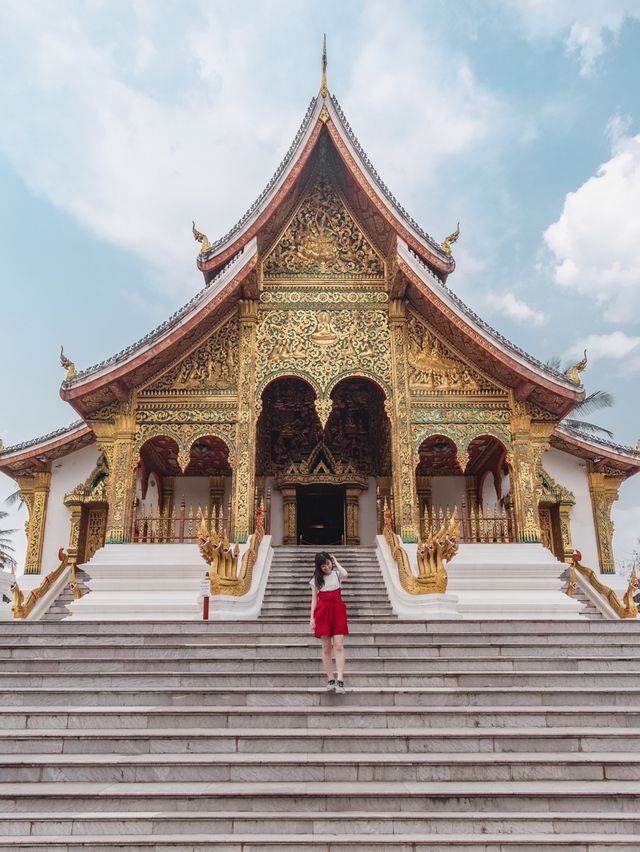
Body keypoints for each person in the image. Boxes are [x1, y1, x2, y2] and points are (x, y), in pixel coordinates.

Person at [309, 550, 349, 694]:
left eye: (328, 563)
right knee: (326, 648)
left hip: (337, 610)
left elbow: (346, 574)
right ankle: (330, 679)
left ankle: (340, 679)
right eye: (323, 566)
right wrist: (311, 618)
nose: (327, 567)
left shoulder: (337, 574)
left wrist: (336, 562)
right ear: (318, 567)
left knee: (338, 645)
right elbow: (314, 599)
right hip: (322, 611)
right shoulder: (316, 580)